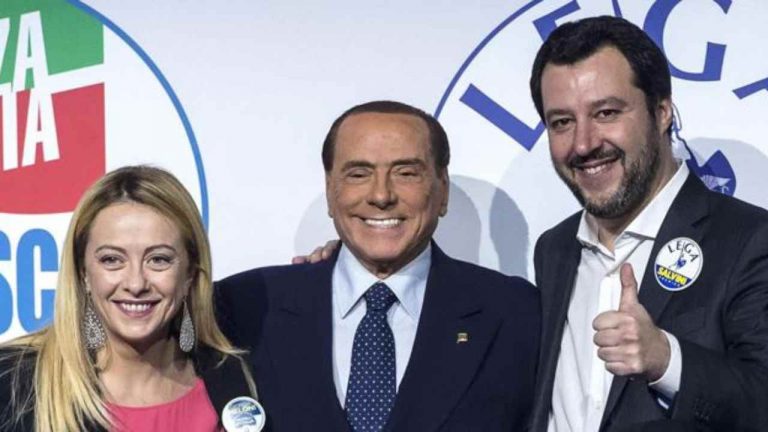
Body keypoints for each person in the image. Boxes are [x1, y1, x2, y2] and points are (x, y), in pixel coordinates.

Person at [215, 100, 541, 432]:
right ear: (330, 190)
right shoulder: (241, 308)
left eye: (406, 173)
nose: (382, 195)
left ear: (442, 190)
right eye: (359, 174)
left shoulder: (516, 314)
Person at [528, 16, 768, 432]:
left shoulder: (750, 239)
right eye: (562, 122)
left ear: (662, 112)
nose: (583, 144)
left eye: (606, 112)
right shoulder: (554, 248)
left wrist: (667, 360)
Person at [0, 166, 258, 432]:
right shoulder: (11, 384)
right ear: (83, 273)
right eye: (112, 259)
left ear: (189, 274)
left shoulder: (238, 384)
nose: (136, 284)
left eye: (158, 259)